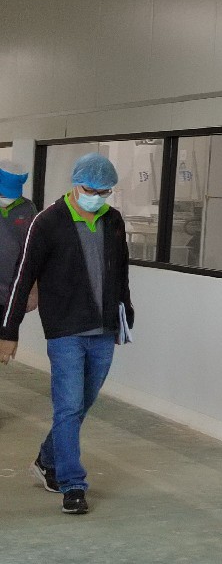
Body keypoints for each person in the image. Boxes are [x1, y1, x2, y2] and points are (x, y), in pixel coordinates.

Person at [0, 152, 134, 515]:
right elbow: (22, 277)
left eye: (105, 192)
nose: (98, 197)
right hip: (65, 330)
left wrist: (124, 315)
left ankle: (47, 459)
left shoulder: (113, 220)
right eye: (92, 190)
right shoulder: (47, 222)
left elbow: (120, 271)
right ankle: (72, 484)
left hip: (103, 329)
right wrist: (9, 331)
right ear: (77, 184)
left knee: (81, 404)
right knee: (69, 405)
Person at [0, 160, 37, 315]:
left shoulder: (28, 208)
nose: (6, 198)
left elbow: (34, 252)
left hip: (12, 294)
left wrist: (34, 291)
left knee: (7, 331)